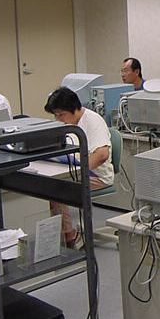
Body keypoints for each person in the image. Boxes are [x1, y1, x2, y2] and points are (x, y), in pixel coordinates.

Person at [44, 87, 114, 247]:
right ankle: (64, 234)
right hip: (73, 171)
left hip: (96, 176)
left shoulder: (93, 121)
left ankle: (70, 236)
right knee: (47, 185)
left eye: (61, 114)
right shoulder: (67, 122)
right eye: (55, 115)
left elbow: (102, 155)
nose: (58, 119)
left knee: (56, 190)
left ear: (75, 108)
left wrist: (77, 173)